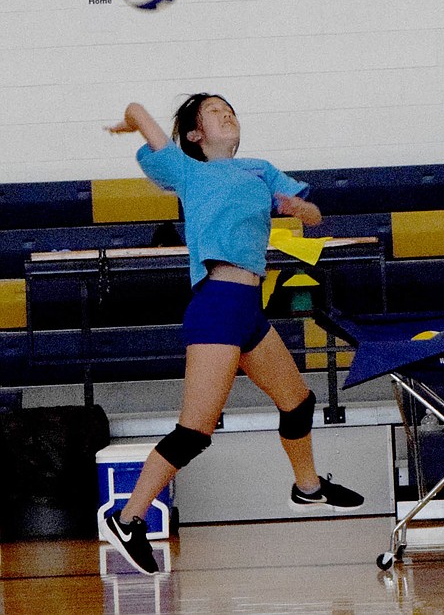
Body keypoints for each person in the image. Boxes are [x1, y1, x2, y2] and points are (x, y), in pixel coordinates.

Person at [100, 94, 364, 575]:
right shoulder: (187, 170)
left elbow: (314, 214)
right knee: (195, 431)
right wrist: (127, 124)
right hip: (217, 306)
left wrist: (299, 208)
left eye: (231, 110)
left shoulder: (261, 169)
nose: (228, 114)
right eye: (215, 112)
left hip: (249, 310)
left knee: (299, 403)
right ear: (196, 135)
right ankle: (128, 517)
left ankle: (307, 488)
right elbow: (139, 109)